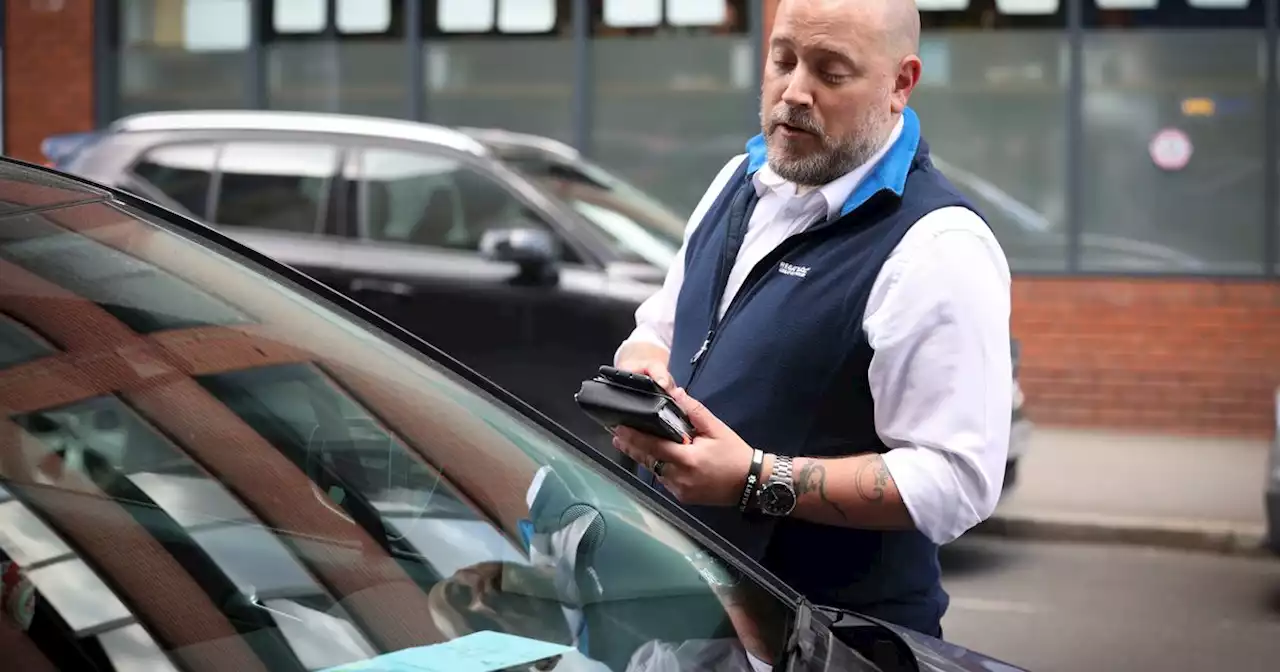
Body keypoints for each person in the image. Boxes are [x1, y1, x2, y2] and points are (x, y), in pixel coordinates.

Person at [610, 0, 1012, 639]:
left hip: (830, 643)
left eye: (831, 72)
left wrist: (755, 480)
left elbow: (957, 479)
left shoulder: (938, 247)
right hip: (686, 622)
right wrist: (643, 388)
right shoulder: (735, 184)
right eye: (784, 59)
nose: (795, 92)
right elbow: (660, 328)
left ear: (899, 85)